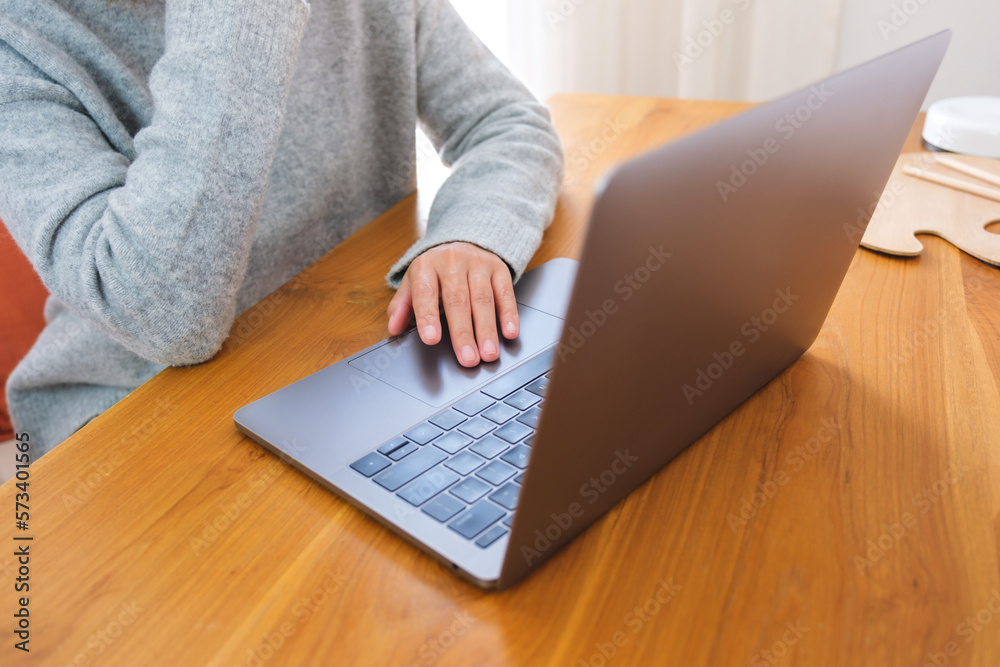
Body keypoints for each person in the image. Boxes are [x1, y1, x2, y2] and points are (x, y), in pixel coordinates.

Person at [0, 0, 563, 457]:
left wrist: (472, 232)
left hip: (346, 359)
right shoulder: (18, 44)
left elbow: (507, 121)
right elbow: (165, 321)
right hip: (127, 410)